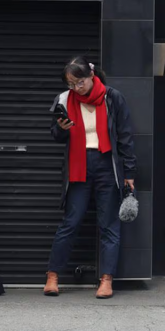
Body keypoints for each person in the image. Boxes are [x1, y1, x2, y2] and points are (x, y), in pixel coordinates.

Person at [44, 57, 136, 299]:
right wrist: (61, 129)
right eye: (71, 84)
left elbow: (125, 136)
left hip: (107, 164)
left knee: (109, 225)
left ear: (91, 75)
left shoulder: (112, 97)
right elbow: (55, 134)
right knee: (70, 222)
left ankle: (106, 279)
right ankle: (52, 276)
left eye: (79, 82)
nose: (76, 88)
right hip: (79, 163)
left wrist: (129, 173)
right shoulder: (64, 100)